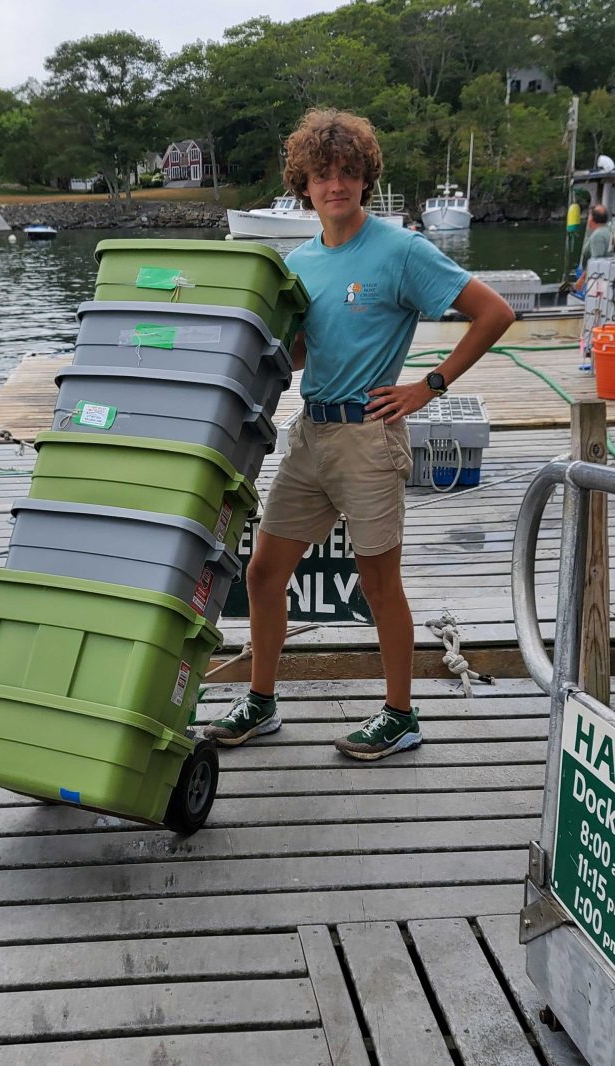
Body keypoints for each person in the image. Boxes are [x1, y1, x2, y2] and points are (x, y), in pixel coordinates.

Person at [203, 108, 515, 759]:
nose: (334, 185)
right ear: (305, 184)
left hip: (370, 440)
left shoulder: (400, 251)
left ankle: (400, 715)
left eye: (346, 173)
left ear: (364, 179)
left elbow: (495, 312)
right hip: (310, 435)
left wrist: (429, 386)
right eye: (322, 174)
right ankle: (261, 703)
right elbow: (293, 355)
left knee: (379, 586)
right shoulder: (298, 262)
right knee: (263, 573)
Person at [575, 204, 613, 293]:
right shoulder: (609, 230)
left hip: (600, 280)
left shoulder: (598, 236)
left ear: (592, 219)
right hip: (608, 278)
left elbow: (596, 263)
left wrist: (582, 279)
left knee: (596, 304)